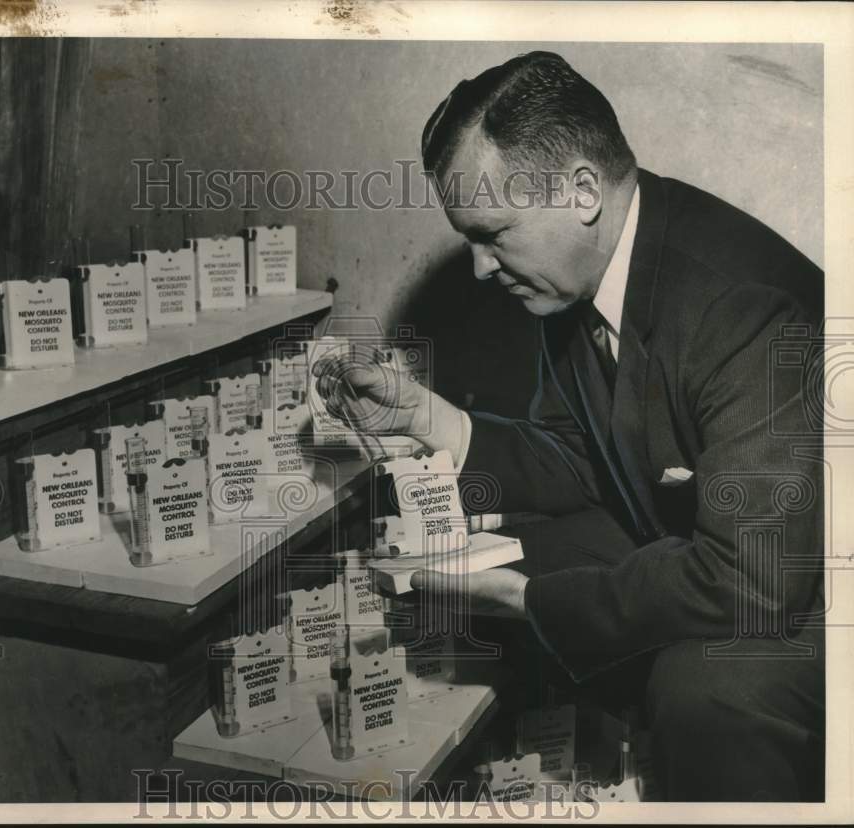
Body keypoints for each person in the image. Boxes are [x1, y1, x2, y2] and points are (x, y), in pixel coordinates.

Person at [314, 51, 825, 801]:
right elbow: (579, 457)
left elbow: (756, 581)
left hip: (810, 591)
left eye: (495, 234)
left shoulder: (738, 304)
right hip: (735, 550)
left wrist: (533, 601)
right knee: (509, 545)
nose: (484, 269)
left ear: (582, 190)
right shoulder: (581, 269)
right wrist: (429, 417)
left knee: (706, 690)